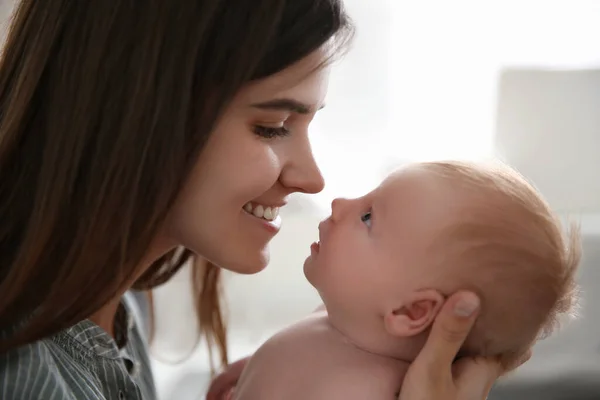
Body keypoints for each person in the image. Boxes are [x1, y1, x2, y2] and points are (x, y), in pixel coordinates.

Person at [0, 1, 522, 399]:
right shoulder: (23, 368)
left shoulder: (110, 313)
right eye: (272, 127)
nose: (314, 180)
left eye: (307, 124)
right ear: (131, 107)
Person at [229, 160, 580, 400]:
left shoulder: (362, 389)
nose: (339, 204)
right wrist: (257, 374)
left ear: (412, 312)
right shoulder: (338, 319)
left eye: (368, 217)